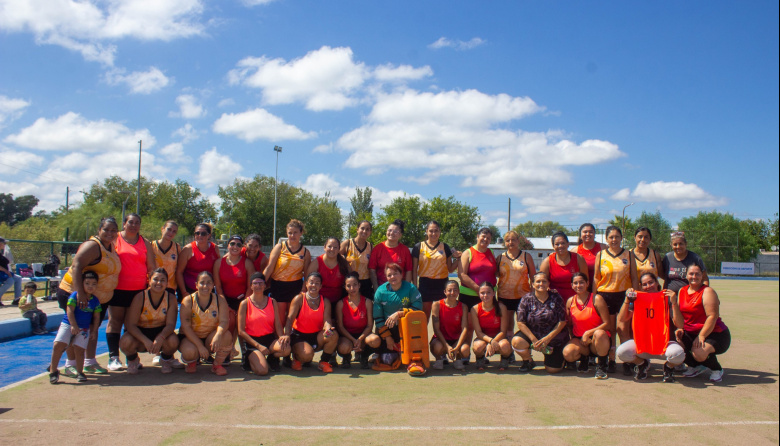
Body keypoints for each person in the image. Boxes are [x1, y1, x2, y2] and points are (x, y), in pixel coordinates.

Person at [57, 217, 121, 376]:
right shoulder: (93, 246)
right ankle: (70, 363)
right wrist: (80, 294)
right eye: (106, 229)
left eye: (113, 230)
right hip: (76, 296)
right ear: (99, 230)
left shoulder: (111, 247)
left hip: (96, 299)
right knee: (76, 329)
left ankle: (89, 361)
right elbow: (77, 265)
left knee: (92, 328)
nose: (110, 233)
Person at [106, 213, 156, 372]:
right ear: (124, 223)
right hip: (118, 289)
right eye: (131, 222)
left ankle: (131, 358)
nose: (134, 225)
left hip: (138, 291)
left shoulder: (145, 243)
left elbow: (151, 267)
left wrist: (151, 289)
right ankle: (113, 357)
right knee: (115, 322)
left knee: (131, 325)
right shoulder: (115, 239)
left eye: (137, 223)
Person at [616, 272, 685, 383]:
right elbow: (622, 319)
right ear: (641, 286)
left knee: (678, 355)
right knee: (622, 352)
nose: (648, 286)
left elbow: (680, 324)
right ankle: (642, 364)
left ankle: (668, 367)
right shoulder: (637, 299)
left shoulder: (666, 298)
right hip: (643, 345)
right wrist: (627, 299)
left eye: (651, 282)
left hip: (664, 345)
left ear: (657, 283)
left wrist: (674, 303)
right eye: (645, 284)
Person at [592, 225, 639, 373]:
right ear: (606, 239)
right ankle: (610, 360)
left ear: (621, 238)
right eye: (611, 237)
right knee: (610, 329)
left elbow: (634, 277)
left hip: (623, 295)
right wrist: (594, 297)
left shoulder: (629, 254)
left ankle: (627, 360)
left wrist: (635, 295)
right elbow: (596, 277)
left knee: (623, 329)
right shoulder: (601, 255)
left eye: (617, 237)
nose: (614, 240)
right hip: (605, 295)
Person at [119, 268, 180, 374]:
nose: (159, 283)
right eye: (155, 279)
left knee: (174, 341)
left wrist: (161, 337)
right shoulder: (140, 297)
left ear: (167, 282)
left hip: (160, 332)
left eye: (162, 280)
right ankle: (133, 360)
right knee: (125, 342)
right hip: (141, 333)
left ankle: (165, 359)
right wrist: (145, 340)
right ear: (149, 280)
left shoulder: (170, 298)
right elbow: (131, 325)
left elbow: (171, 324)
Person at [675, 265, 730, 383]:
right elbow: (679, 315)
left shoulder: (707, 291)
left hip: (714, 333)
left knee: (699, 352)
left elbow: (712, 316)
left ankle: (716, 369)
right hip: (690, 331)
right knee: (675, 345)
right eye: (691, 274)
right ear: (686, 276)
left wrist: (701, 336)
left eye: (697, 274)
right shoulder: (682, 291)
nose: (694, 276)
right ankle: (695, 366)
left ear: (702, 276)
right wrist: (679, 329)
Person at [367, 263, 424, 373]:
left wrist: (399, 314)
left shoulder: (410, 288)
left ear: (402, 274)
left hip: (406, 330)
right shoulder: (380, 291)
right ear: (386, 277)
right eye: (389, 275)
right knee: (387, 360)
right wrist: (388, 337)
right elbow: (378, 318)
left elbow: (418, 308)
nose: (392, 277)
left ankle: (414, 360)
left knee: (416, 325)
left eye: (395, 274)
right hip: (387, 330)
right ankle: (384, 353)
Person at [49, 271, 102, 384]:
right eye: (87, 283)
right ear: (81, 283)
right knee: (58, 345)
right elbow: (69, 311)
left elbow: (96, 317)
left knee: (79, 349)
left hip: (84, 329)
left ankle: (80, 372)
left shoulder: (95, 300)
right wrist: (73, 325)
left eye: (93, 284)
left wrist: (93, 331)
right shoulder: (75, 295)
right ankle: (53, 371)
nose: (90, 286)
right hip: (68, 324)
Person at [512, 272, 568, 374]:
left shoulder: (556, 298)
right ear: (532, 284)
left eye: (544, 281)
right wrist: (534, 340)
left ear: (548, 284)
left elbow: (562, 321)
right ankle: (528, 360)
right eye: (538, 281)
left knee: (553, 370)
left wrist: (547, 339)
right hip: (533, 335)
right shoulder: (526, 299)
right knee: (516, 341)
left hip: (553, 337)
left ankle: (561, 358)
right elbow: (520, 322)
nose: (541, 284)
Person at [178, 271, 233, 375]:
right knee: (189, 352)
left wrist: (218, 335)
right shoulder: (188, 300)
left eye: (208, 283)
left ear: (213, 285)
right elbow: (186, 327)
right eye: (202, 282)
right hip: (191, 338)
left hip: (209, 338)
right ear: (196, 285)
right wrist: (200, 347)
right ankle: (192, 362)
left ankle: (217, 365)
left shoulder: (219, 300)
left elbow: (224, 321)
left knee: (226, 335)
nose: (205, 286)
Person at [283, 272, 338, 373]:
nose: (314, 285)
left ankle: (324, 362)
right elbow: (290, 319)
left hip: (316, 336)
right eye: (311, 282)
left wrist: (328, 328)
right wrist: (286, 335)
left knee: (333, 335)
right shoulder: (299, 299)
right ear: (306, 284)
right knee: (307, 356)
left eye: (317, 283)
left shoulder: (325, 301)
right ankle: (297, 357)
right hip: (299, 336)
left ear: (321, 286)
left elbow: (327, 320)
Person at [237, 272, 291, 376]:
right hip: (252, 342)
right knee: (262, 371)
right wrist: (258, 346)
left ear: (265, 285)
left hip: (269, 339)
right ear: (251, 286)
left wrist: (281, 337)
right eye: (255, 283)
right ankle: (250, 359)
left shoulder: (272, 301)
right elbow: (241, 331)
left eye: (261, 283)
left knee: (286, 349)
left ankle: (271, 358)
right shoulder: (245, 303)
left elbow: (278, 325)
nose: (258, 286)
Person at [263, 219, 311, 333]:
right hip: (278, 286)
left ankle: (292, 343)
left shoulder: (305, 252)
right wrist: (260, 282)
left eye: (295, 232)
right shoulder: (280, 247)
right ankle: (278, 345)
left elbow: (307, 273)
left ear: (301, 233)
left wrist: (304, 289)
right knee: (279, 319)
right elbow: (270, 267)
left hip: (295, 286)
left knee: (292, 318)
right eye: (290, 233)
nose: (292, 235)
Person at [214, 235, 255, 363]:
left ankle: (245, 352)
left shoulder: (247, 263)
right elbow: (218, 287)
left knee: (242, 324)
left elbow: (251, 286)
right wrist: (225, 304)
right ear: (228, 245)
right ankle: (226, 351)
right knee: (230, 322)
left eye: (238, 244)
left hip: (243, 299)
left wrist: (244, 304)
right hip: (225, 299)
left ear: (242, 247)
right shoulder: (219, 263)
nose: (235, 247)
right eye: (232, 243)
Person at [562, 273, 610, 379]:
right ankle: (584, 358)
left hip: (596, 340)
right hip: (581, 341)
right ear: (572, 285)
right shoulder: (570, 301)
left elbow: (607, 324)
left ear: (587, 283)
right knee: (568, 354)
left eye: (581, 282)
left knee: (599, 334)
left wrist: (588, 333)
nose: (579, 285)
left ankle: (602, 365)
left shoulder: (596, 299)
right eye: (575, 283)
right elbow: (570, 325)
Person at [412, 220, 460, 319]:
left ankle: (440, 335)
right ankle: (423, 334)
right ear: (426, 231)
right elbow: (414, 269)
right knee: (425, 315)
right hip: (425, 284)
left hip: (442, 284)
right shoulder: (419, 246)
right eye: (431, 231)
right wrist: (415, 287)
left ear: (440, 232)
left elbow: (450, 269)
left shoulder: (445, 247)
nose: (433, 233)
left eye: (436, 231)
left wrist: (459, 258)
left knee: (442, 315)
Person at [335, 272, 374, 369]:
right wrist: (353, 340)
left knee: (375, 340)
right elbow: (340, 326)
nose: (352, 288)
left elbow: (370, 325)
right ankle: (346, 357)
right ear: (345, 287)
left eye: (355, 285)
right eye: (349, 286)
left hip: (363, 335)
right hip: (347, 336)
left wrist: (360, 339)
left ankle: (363, 356)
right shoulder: (340, 303)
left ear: (359, 285)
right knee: (343, 347)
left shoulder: (367, 302)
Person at [471, 282, 512, 370]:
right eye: (482, 293)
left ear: (493, 293)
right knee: (478, 346)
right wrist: (490, 341)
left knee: (505, 346)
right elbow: (478, 332)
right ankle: (480, 359)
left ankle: (505, 360)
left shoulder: (501, 307)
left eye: (488, 292)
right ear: (479, 294)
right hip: (484, 338)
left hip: (499, 338)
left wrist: (493, 341)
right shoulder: (475, 309)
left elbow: (503, 331)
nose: (485, 295)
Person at [430, 280, 469, 370]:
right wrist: (447, 346)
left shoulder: (463, 307)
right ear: (445, 292)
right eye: (449, 290)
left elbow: (465, 329)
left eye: (455, 290)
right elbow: (436, 329)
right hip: (441, 340)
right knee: (437, 347)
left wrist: (457, 346)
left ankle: (458, 359)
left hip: (456, 339)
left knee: (465, 349)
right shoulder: (437, 305)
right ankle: (439, 359)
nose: (452, 293)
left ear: (458, 292)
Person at [176, 222, 221, 301]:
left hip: (208, 290)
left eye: (203, 233)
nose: (200, 236)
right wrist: (184, 292)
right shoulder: (188, 249)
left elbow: (218, 269)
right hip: (189, 290)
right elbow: (179, 272)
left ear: (209, 235)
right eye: (197, 233)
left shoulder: (214, 248)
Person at [307, 237, 350, 317]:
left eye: (335, 247)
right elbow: (307, 282)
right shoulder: (316, 262)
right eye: (329, 246)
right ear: (324, 247)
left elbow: (351, 280)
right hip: (319, 301)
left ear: (339, 249)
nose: (332, 249)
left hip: (338, 301)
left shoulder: (344, 264)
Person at [458, 227, 497, 310]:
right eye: (483, 236)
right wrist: (479, 290)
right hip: (469, 295)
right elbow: (462, 275)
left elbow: (495, 272)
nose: (485, 239)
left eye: (488, 238)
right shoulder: (468, 252)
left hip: (488, 296)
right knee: (469, 322)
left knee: (487, 322)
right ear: (477, 236)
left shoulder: (491, 252)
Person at [540, 232, 587, 301]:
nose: (560, 246)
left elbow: (586, 280)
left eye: (563, 243)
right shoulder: (547, 262)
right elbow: (542, 283)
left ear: (568, 244)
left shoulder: (579, 259)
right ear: (553, 246)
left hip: (576, 299)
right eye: (557, 244)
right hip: (554, 301)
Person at [369, 219, 413, 288]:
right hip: (382, 288)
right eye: (389, 230)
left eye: (395, 231)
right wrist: (376, 288)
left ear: (400, 235)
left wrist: (406, 289)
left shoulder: (405, 250)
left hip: (400, 288)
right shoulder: (378, 248)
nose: (391, 233)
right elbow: (372, 269)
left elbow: (409, 270)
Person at [340, 220, 374, 300]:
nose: (364, 231)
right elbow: (337, 256)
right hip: (349, 282)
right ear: (357, 229)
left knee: (365, 308)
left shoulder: (371, 247)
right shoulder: (348, 243)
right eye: (362, 228)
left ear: (370, 232)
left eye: (367, 229)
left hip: (365, 283)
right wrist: (346, 263)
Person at [151, 220, 181, 296]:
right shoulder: (151, 245)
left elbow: (179, 268)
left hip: (169, 287)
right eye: (169, 229)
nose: (171, 233)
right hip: (153, 286)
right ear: (162, 229)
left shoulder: (177, 248)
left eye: (174, 231)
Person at [0, 237, 22, 306]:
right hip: (2, 273)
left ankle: (16, 299)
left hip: (4, 272)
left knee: (18, 278)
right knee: (10, 281)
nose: (5, 245)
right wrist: (7, 272)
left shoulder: (1, 252)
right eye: (4, 243)